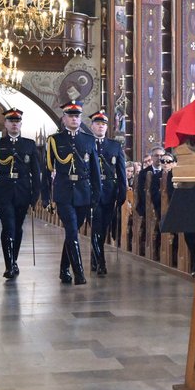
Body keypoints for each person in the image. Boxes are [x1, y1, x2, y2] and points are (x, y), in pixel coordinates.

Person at [42, 100, 101, 285]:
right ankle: (79, 273)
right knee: (72, 230)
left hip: (83, 192)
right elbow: (47, 171)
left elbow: (95, 171)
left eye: (77, 116)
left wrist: (96, 195)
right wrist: (46, 197)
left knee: (72, 232)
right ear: (64, 118)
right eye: (71, 116)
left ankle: (63, 270)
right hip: (64, 192)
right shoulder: (55, 140)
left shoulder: (89, 140)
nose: (74, 119)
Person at [0, 108, 41, 279]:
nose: (14, 124)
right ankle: (9, 265)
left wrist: (35, 195)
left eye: (17, 121)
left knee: (17, 228)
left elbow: (36, 172)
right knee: (8, 226)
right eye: (11, 121)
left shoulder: (29, 144)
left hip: (23, 190)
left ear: (21, 124)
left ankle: (14, 260)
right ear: (6, 124)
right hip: (4, 190)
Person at [87, 111, 126, 276]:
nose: (101, 127)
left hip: (109, 191)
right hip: (91, 191)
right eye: (97, 124)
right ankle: (101, 261)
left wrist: (122, 192)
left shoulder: (114, 146)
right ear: (92, 126)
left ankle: (94, 255)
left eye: (103, 124)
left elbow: (121, 171)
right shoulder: (86, 143)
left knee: (104, 228)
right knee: (96, 226)